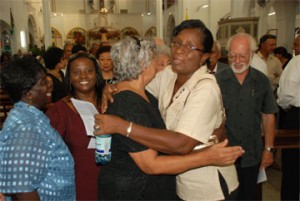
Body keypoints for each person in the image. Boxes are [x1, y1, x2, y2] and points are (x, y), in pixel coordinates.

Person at [95, 20, 244, 200]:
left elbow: (181, 144)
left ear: (204, 57)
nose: (180, 50)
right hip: (177, 181)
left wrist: (122, 127)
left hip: (207, 185)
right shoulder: (168, 75)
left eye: (191, 47)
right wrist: (111, 87)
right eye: (177, 43)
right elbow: (134, 85)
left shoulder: (205, 88)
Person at [0, 56, 75, 201]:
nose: (49, 84)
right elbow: (22, 190)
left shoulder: (28, 117)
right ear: (28, 95)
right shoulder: (27, 128)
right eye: (43, 83)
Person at [215, 33, 278, 200]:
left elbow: (268, 116)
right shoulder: (216, 81)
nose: (237, 60)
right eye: (233, 55)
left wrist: (269, 149)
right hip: (224, 155)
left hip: (252, 154)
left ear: (251, 54)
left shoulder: (261, 81)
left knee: (250, 196)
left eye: (242, 56)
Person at [46, 53, 103, 201]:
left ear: (97, 75)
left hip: (115, 182)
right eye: (76, 72)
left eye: (89, 71)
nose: (83, 76)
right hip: (80, 184)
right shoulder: (59, 111)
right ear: (69, 78)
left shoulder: (110, 103)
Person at [277, 37, 300, 201]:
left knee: (293, 168)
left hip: (297, 118)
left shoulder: (296, 62)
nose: (294, 48)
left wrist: (286, 108)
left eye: (297, 45)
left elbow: (286, 94)